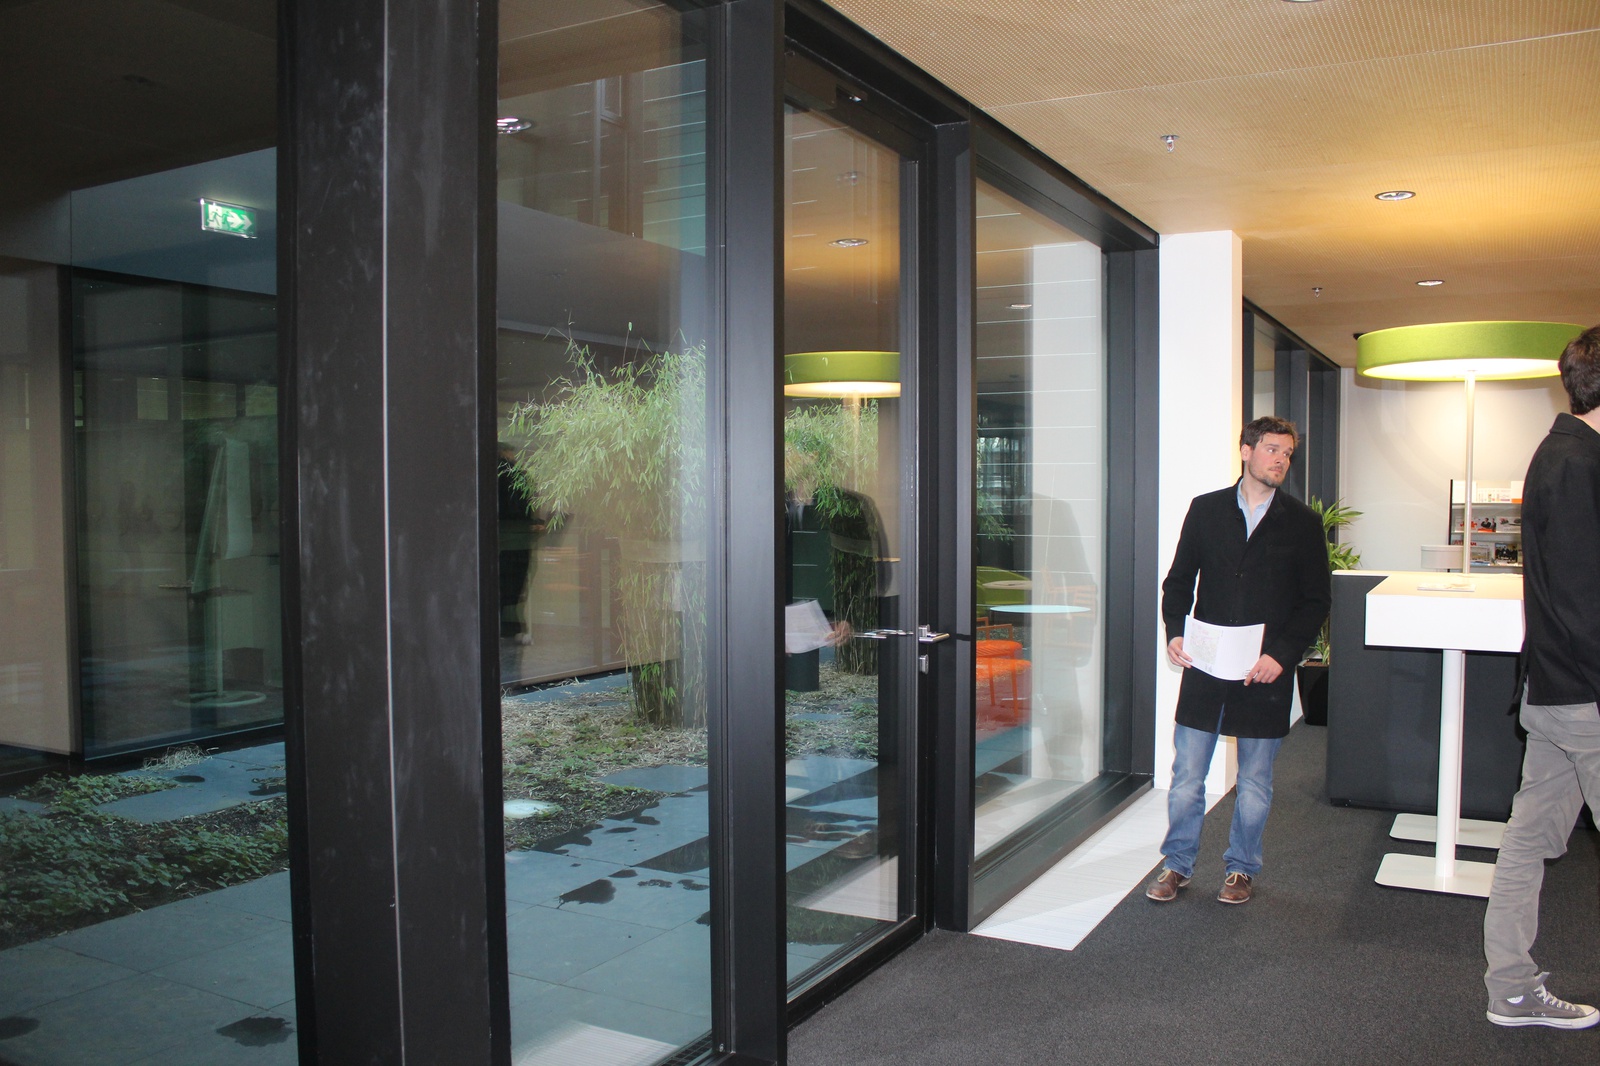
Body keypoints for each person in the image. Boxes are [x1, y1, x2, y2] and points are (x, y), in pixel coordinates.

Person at [1145, 416, 1330, 905]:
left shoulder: (1303, 523)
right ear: (1246, 450)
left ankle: (1241, 869)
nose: (1280, 460)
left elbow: (1316, 601)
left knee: (1254, 783)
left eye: (1287, 453)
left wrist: (1282, 656)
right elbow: (1178, 582)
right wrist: (1175, 631)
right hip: (1205, 665)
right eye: (1271, 449)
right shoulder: (1205, 510)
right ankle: (1177, 864)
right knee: (1187, 779)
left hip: (1264, 672)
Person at [1481, 324, 1600, 1030]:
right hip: (1584, 697)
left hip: (1555, 692)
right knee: (1526, 843)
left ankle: (1512, 990)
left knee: (1526, 843)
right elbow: (1586, 603)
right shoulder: (1578, 463)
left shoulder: (1560, 453)